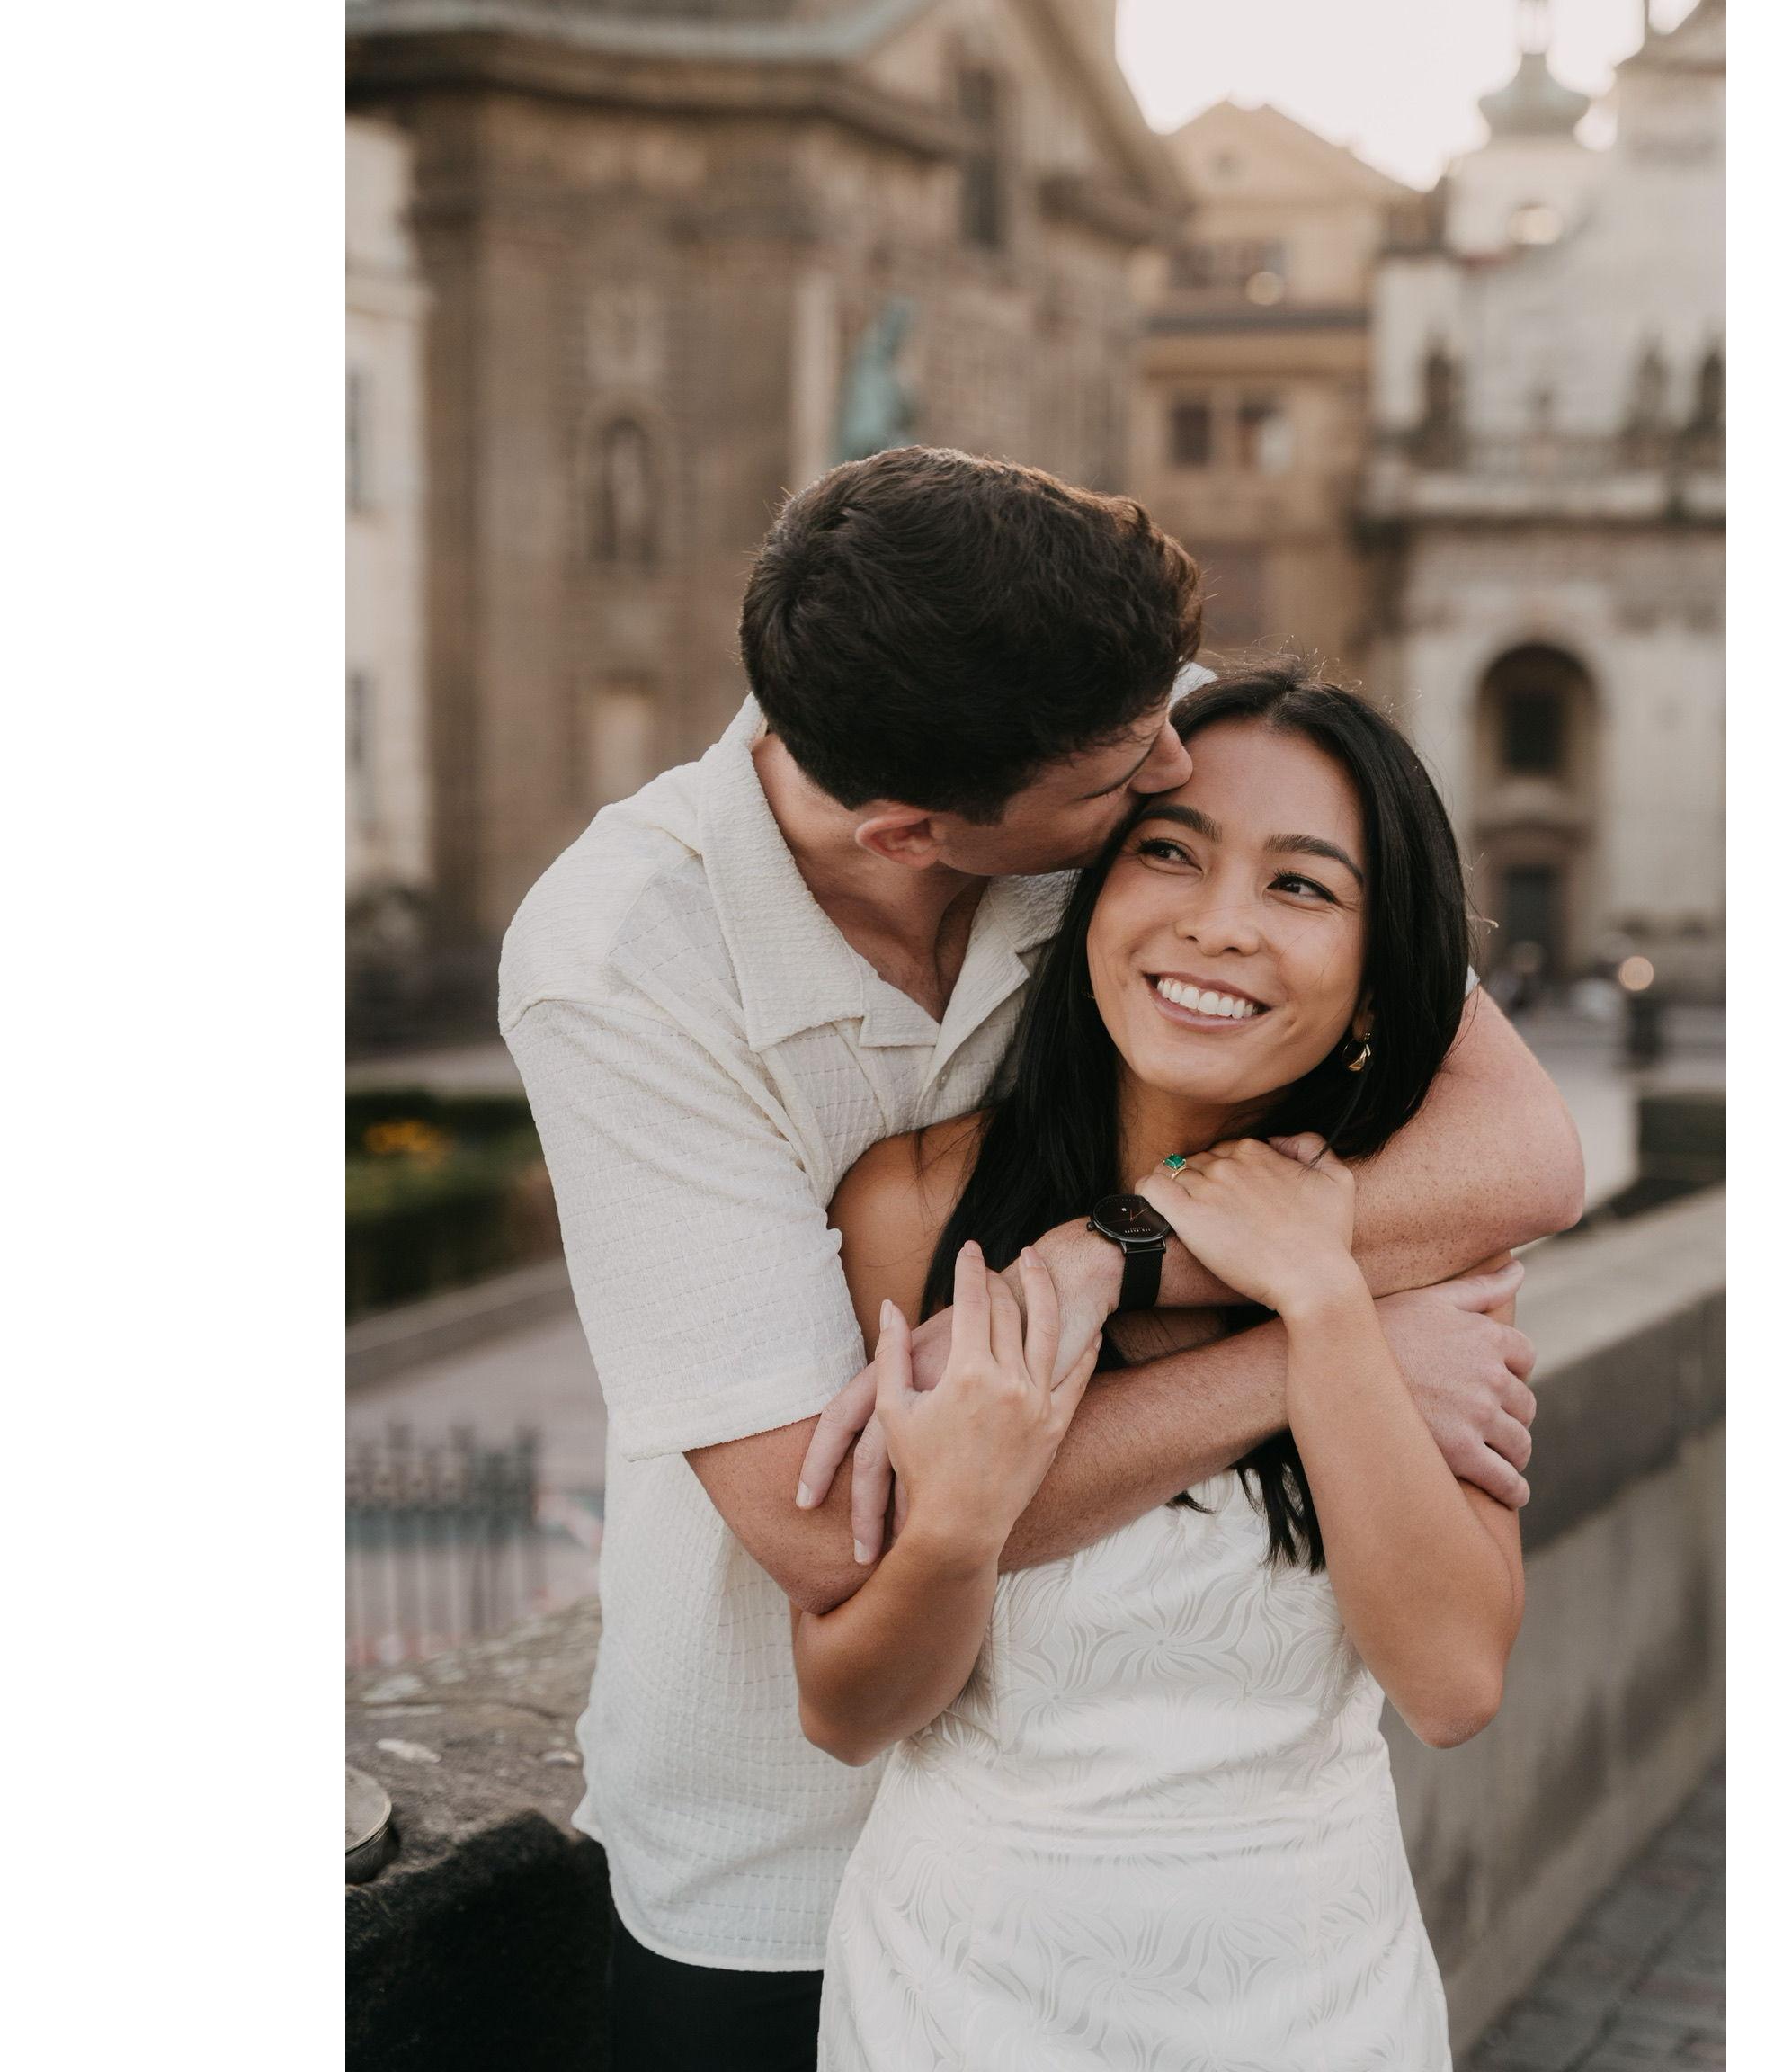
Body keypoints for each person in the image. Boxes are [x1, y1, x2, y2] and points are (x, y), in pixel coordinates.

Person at [499, 448, 1582, 2070]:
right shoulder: (620, 962)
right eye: (1129, 802)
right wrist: (1314, 1342)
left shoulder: (1122, 725)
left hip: (1284, 1961)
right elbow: (831, 1524)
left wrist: (1114, 1251)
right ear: (916, 829)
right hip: (778, 1862)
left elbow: (1526, 1151)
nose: (1172, 765)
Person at [803, 665, 1511, 2068]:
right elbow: (847, 1712)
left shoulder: (1414, 1245)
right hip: (963, 1998)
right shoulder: (916, 1206)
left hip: (1319, 2000)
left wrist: (1320, 1295)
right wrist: (959, 1521)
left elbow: (1449, 1684)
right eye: (1169, 856)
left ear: (1379, 981)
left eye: (1303, 888)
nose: (1219, 923)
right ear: (1086, 909)